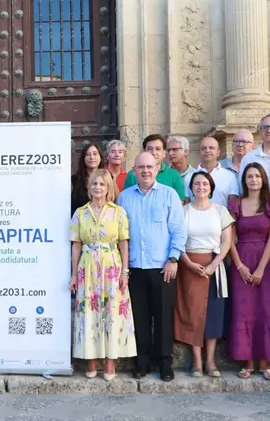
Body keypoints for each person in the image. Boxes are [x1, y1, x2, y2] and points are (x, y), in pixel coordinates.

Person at [118, 152, 186, 381]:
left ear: (157, 169)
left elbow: (178, 230)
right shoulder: (124, 198)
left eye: (150, 167)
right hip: (135, 268)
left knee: (164, 317)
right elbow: (121, 235)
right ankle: (142, 362)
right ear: (134, 171)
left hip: (162, 267)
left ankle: (165, 363)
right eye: (141, 167)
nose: (145, 171)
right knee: (140, 317)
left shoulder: (169, 195)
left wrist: (173, 259)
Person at [69, 169, 136, 380]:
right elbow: (76, 246)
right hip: (87, 268)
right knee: (88, 313)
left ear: (108, 188)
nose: (98, 187)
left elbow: (124, 244)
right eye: (94, 184)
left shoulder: (118, 212)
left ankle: (110, 363)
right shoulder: (80, 213)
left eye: (102, 184)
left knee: (112, 313)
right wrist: (73, 275)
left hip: (111, 267)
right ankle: (90, 361)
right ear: (89, 187)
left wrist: (125, 272)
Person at [228, 163, 270, 380]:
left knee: (266, 310)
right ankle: (248, 363)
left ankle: (265, 363)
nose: (253, 179)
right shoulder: (235, 203)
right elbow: (229, 238)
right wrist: (239, 265)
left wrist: (261, 267)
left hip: (267, 261)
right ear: (244, 180)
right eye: (249, 176)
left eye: (257, 176)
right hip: (242, 258)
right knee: (244, 310)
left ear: (263, 179)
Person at [175, 171, 233, 377]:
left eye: (205, 183)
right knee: (192, 312)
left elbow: (227, 242)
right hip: (189, 266)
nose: (201, 187)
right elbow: (177, 239)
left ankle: (210, 361)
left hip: (214, 267)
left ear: (211, 187)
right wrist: (188, 263)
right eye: (197, 183)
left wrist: (214, 265)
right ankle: (197, 361)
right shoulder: (183, 211)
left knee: (213, 314)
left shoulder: (221, 211)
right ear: (191, 187)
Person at [121, 134, 187, 201]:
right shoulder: (132, 175)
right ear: (143, 152)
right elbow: (126, 199)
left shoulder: (174, 175)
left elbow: (179, 203)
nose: (153, 152)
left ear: (164, 153)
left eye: (158, 149)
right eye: (149, 149)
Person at [195, 136, 240, 206]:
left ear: (218, 152)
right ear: (200, 152)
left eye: (211, 148)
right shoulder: (190, 176)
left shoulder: (229, 176)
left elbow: (233, 206)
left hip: (222, 216)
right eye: (203, 148)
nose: (207, 150)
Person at [71, 144, 106, 214]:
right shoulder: (74, 179)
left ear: (100, 157)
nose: (92, 157)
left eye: (95, 154)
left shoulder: (107, 178)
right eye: (88, 154)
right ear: (83, 158)